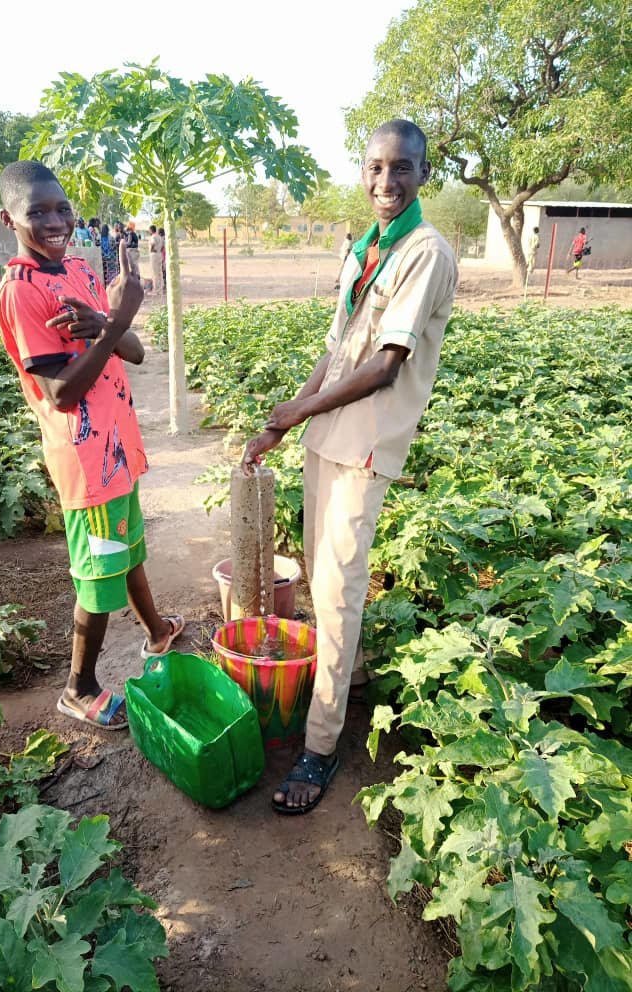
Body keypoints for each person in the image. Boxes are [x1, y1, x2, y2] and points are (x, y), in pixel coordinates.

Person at [242, 120, 458, 814]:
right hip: (323, 439)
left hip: (364, 446)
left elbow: (385, 365)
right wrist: (285, 421)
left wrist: (298, 413)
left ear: (425, 173)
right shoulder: (365, 247)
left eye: (402, 169)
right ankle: (350, 676)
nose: (385, 183)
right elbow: (336, 353)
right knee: (323, 578)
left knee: (336, 593)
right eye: (374, 168)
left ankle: (322, 747)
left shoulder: (424, 251)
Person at [0, 160, 184, 731]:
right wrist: (119, 317)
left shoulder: (78, 266)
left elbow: (135, 351)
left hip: (116, 444)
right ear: (10, 220)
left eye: (61, 209)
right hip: (84, 455)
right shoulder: (22, 292)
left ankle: (157, 632)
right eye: (38, 213)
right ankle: (78, 688)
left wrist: (108, 320)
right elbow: (62, 393)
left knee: (127, 550)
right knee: (99, 575)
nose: (55, 221)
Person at [148, 224, 164, 294]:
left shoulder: (153, 236)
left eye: (149, 230)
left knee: (154, 273)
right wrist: (159, 250)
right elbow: (163, 246)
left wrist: (152, 250)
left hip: (154, 255)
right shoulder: (160, 237)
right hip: (159, 254)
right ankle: (160, 289)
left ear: (151, 230)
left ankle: (155, 290)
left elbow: (152, 244)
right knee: (160, 272)